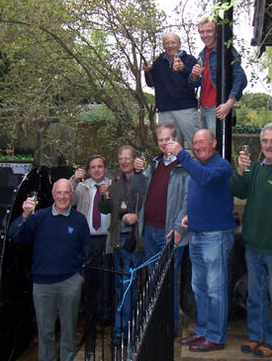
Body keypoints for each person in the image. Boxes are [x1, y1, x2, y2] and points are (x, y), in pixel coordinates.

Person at [229, 123, 272, 358]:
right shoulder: (256, 168)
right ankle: (255, 335)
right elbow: (237, 190)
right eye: (265, 141)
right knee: (255, 294)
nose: (268, 145)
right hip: (253, 245)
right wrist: (239, 170)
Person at [169, 129, 235, 352]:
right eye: (194, 144)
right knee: (199, 288)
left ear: (214, 143)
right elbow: (200, 198)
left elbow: (206, 181)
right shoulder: (199, 167)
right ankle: (203, 330)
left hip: (215, 236)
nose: (197, 147)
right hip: (197, 234)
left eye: (202, 143)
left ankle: (216, 336)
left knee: (215, 289)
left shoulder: (220, 166)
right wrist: (190, 216)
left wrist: (182, 154)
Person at [9, 179, 89, 361]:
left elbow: (87, 250)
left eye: (66, 193)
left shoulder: (79, 220)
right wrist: (25, 215)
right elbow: (16, 236)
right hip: (43, 284)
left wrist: (80, 278)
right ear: (53, 195)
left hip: (70, 282)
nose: (63, 197)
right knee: (45, 332)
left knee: (69, 330)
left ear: (72, 195)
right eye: (59, 193)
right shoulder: (39, 217)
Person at [133, 123, 189, 333]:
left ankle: (169, 327)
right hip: (150, 230)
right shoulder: (155, 164)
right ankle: (155, 326)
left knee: (167, 283)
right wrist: (138, 172)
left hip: (170, 233)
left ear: (176, 140)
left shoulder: (184, 165)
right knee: (152, 280)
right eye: (160, 140)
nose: (164, 143)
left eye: (168, 139)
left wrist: (178, 228)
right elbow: (139, 189)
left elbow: (188, 200)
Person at [97, 145, 146, 341]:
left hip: (134, 243)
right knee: (121, 286)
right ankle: (122, 330)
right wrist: (105, 195)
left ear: (134, 160)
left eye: (128, 158)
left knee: (128, 286)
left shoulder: (142, 181)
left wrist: (137, 217)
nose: (124, 161)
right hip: (118, 241)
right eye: (121, 158)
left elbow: (152, 206)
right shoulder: (115, 183)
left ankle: (125, 331)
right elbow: (105, 209)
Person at [70, 156, 113, 330]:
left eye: (100, 167)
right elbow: (68, 200)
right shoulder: (81, 187)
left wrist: (108, 194)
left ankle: (105, 317)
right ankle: (90, 316)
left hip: (106, 240)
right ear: (88, 170)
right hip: (87, 240)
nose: (96, 170)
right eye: (93, 167)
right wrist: (73, 180)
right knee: (89, 281)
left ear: (105, 168)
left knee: (106, 280)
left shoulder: (113, 185)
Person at [188, 18, 247, 135]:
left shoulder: (226, 51)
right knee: (208, 150)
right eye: (202, 32)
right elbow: (193, 84)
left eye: (209, 31)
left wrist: (229, 104)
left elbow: (241, 78)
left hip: (218, 108)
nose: (205, 35)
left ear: (216, 33)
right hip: (204, 108)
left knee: (217, 149)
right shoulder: (202, 55)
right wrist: (194, 76)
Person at [142, 33, 201, 145]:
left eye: (173, 42)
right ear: (163, 46)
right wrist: (147, 71)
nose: (170, 46)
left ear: (179, 44)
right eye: (166, 43)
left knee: (197, 144)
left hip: (186, 109)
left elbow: (196, 82)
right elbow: (150, 83)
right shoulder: (159, 62)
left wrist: (183, 69)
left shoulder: (189, 60)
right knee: (169, 147)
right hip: (165, 111)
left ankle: (202, 163)